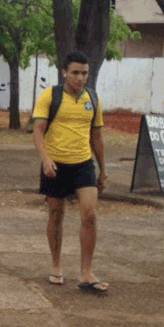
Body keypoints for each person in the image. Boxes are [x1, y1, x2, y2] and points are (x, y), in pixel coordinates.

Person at [32, 51, 108, 294]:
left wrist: (103, 170)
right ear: (64, 72)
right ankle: (56, 265)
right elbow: (38, 130)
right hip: (55, 165)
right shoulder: (50, 96)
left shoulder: (93, 99)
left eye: (84, 73)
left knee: (90, 214)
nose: (80, 77)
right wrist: (45, 159)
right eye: (75, 72)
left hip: (83, 164)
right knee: (56, 214)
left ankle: (86, 272)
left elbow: (96, 136)